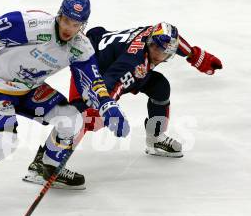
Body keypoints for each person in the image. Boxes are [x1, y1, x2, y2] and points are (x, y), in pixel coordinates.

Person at [0, 0, 130, 207]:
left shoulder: (80, 47)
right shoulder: (34, 24)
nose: (69, 28)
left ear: (83, 25)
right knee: (2, 144)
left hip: (30, 89)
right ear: (59, 15)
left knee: (73, 120)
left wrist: (107, 106)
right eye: (66, 20)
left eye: (76, 24)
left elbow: (92, 82)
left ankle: (46, 167)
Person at [23, 22, 223, 189]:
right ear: (150, 43)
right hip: (90, 69)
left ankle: (155, 139)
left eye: (166, 53)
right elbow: (110, 84)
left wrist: (195, 56)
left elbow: (177, 44)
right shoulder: (132, 62)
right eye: (157, 50)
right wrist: (107, 106)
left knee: (160, 87)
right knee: (86, 117)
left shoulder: (154, 36)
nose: (160, 56)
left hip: (114, 63)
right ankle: (42, 165)